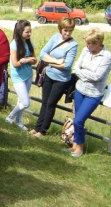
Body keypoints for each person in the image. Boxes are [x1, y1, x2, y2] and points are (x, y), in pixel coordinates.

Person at [31, 17, 78, 137]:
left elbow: (67, 66)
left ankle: (43, 131)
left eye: (70, 30)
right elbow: (42, 54)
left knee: (51, 104)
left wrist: (50, 62)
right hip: (49, 75)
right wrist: (57, 61)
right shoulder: (54, 38)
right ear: (60, 29)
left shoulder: (73, 45)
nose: (67, 33)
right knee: (44, 102)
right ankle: (37, 128)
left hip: (61, 80)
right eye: (65, 30)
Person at [67, 28, 111, 157]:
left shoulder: (107, 56)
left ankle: (80, 148)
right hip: (80, 89)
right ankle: (74, 145)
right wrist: (84, 72)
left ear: (97, 44)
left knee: (79, 121)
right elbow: (76, 67)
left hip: (94, 94)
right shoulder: (86, 50)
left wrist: (82, 72)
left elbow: (98, 76)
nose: (86, 45)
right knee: (77, 117)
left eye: (89, 43)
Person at [5, 20, 37, 131]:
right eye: (27, 32)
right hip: (18, 77)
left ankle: (18, 121)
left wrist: (27, 60)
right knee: (26, 102)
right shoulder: (14, 44)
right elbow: (15, 63)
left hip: (28, 74)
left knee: (21, 101)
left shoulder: (29, 43)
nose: (29, 34)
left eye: (30, 31)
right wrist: (25, 60)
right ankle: (10, 117)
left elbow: (34, 60)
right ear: (20, 32)